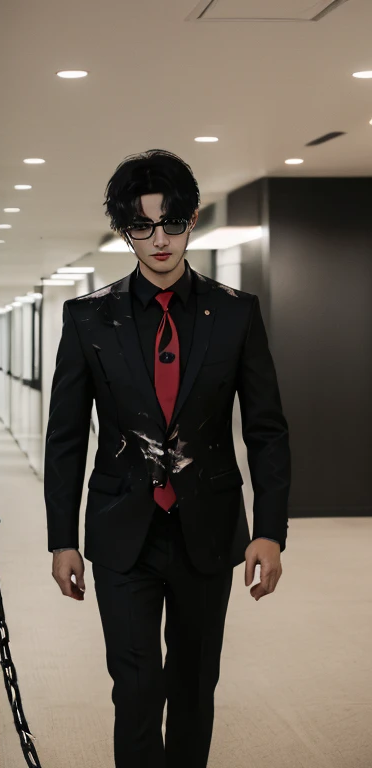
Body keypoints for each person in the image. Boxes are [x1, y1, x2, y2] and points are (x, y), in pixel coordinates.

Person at [43, 149, 291, 767]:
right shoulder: (87, 317)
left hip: (207, 529)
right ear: (124, 228)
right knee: (135, 689)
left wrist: (271, 531)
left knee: (192, 687)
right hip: (122, 529)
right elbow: (67, 437)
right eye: (143, 226)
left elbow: (265, 429)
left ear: (193, 219)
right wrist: (60, 538)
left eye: (172, 223)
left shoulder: (236, 313)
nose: (159, 240)